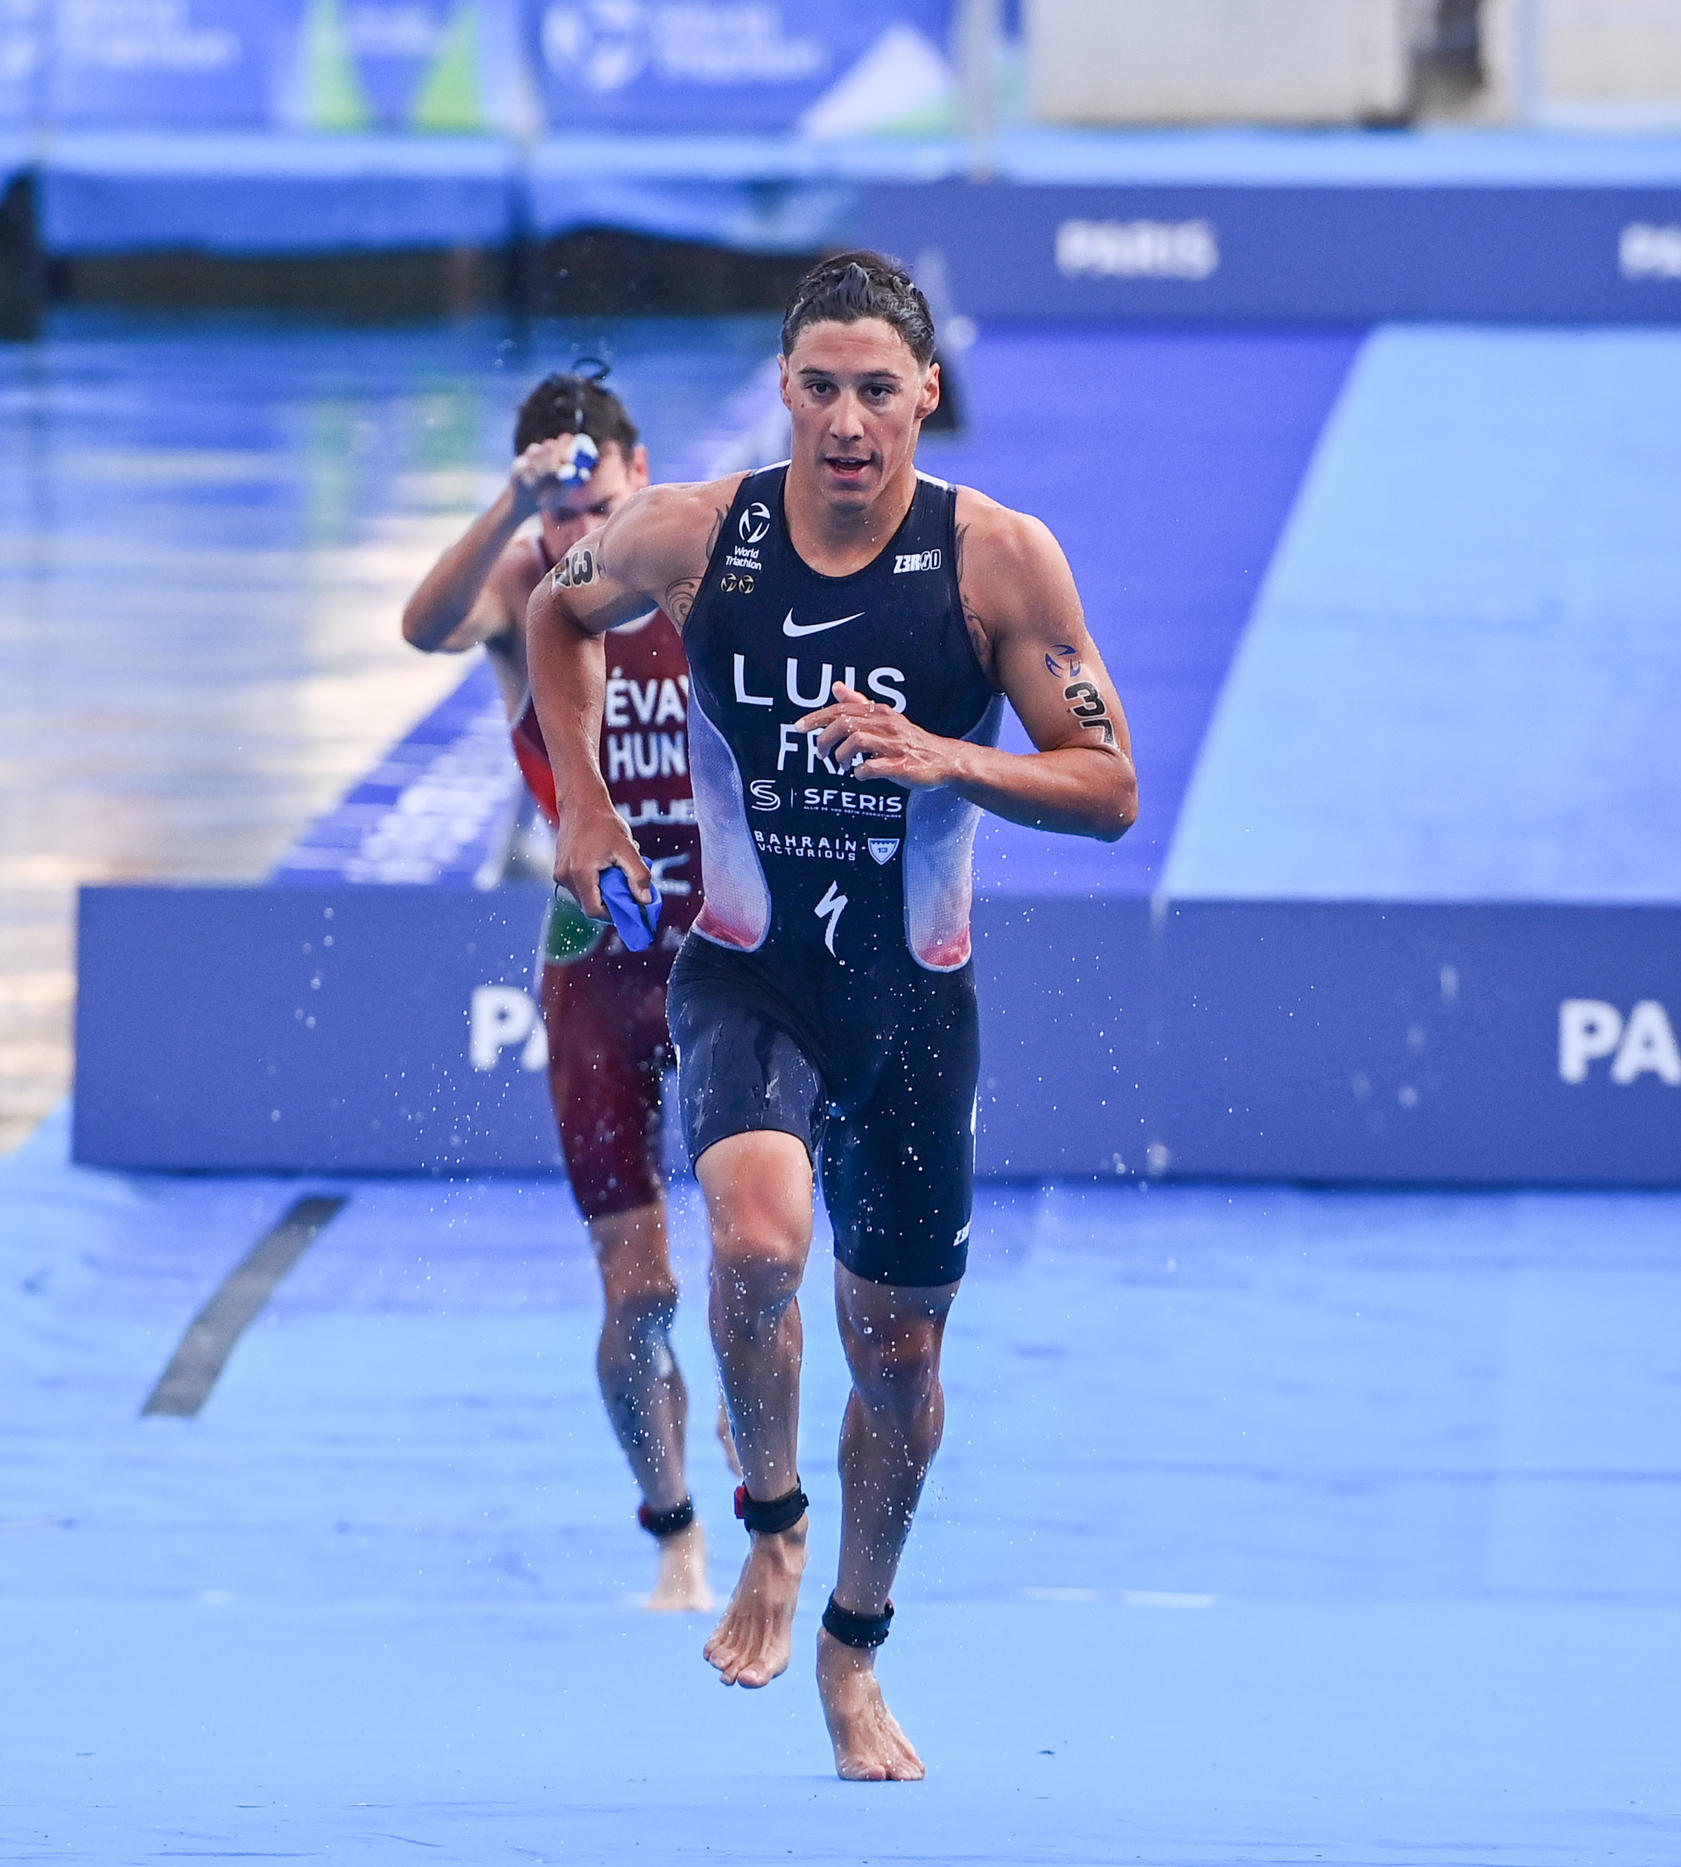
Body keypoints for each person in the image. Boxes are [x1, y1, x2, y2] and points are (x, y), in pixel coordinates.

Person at [523, 250, 1137, 1781]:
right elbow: (552, 614)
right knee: (752, 1241)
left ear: (926, 392)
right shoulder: (694, 533)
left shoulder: (1002, 563)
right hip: (752, 967)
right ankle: (774, 1524)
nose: (849, 422)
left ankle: (856, 1641)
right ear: (782, 390)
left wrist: (952, 756)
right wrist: (585, 807)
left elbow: (1109, 783)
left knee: (905, 1369)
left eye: (879, 389)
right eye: (820, 388)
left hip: (913, 1008)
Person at [399, 367, 720, 1613]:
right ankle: (672, 1525)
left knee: (761, 1257)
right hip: (599, 962)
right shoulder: (525, 592)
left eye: (595, 502)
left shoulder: (692, 566)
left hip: (729, 952)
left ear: (639, 475)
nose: (578, 538)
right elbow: (424, 630)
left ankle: (770, 1496)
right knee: (640, 1291)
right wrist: (507, 504)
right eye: (558, 511)